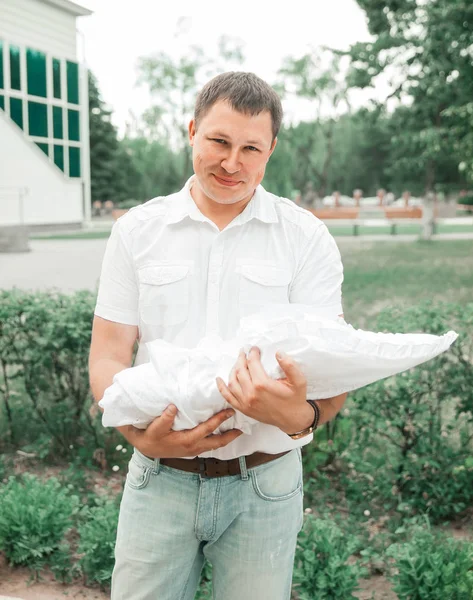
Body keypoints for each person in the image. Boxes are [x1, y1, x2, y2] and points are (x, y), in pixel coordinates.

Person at [89, 71, 348, 600]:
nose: (233, 163)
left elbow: (332, 372)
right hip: (159, 477)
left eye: (251, 147)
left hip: (267, 482)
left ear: (270, 150)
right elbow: (109, 353)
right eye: (219, 141)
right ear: (191, 131)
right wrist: (137, 436)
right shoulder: (137, 231)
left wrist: (301, 417)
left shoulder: (307, 239)